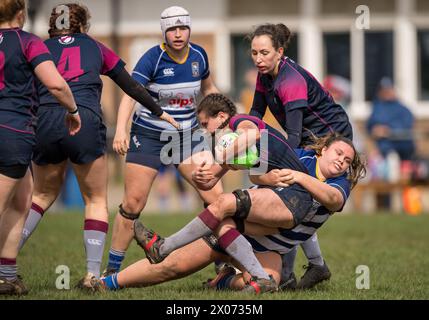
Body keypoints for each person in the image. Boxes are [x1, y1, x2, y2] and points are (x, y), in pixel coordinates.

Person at [99, 96, 365, 294]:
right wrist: (254, 176)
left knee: (269, 282)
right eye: (338, 153)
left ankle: (222, 280)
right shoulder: (302, 157)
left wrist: (219, 164)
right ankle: (107, 282)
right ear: (323, 150)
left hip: (268, 245)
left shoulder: (338, 182)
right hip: (241, 228)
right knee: (172, 267)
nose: (342, 160)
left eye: (347, 159)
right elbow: (257, 172)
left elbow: (333, 200)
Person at [17, 3, 179, 291]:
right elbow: (129, 85)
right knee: (94, 201)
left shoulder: (38, 47)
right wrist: (159, 111)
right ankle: (92, 276)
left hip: (46, 122)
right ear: (82, 26)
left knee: (40, 196)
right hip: (84, 120)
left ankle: (6, 263)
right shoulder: (95, 46)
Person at [104, 6, 222, 276]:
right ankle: (111, 271)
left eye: (183, 28)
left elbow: (208, 88)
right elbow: (130, 95)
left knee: (217, 199)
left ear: (189, 30)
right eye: (172, 29)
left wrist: (222, 113)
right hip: (148, 135)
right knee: (133, 204)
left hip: (187, 136)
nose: (178, 34)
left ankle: (222, 264)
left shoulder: (199, 55)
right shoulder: (152, 59)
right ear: (164, 32)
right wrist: (121, 130)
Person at [247, 23, 354, 289]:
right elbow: (255, 116)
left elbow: (293, 136)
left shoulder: (291, 80)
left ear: (279, 52)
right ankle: (310, 268)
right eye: (254, 53)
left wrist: (278, 172)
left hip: (331, 137)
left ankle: (290, 273)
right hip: (307, 138)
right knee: (292, 195)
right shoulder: (265, 74)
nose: (258, 59)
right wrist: (240, 140)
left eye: (264, 53)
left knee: (295, 196)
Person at [0, 0, 81, 295]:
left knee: (22, 201)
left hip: (10, 132)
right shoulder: (27, 42)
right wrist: (73, 109)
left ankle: (6, 277)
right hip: (12, 131)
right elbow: (56, 85)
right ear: (20, 14)